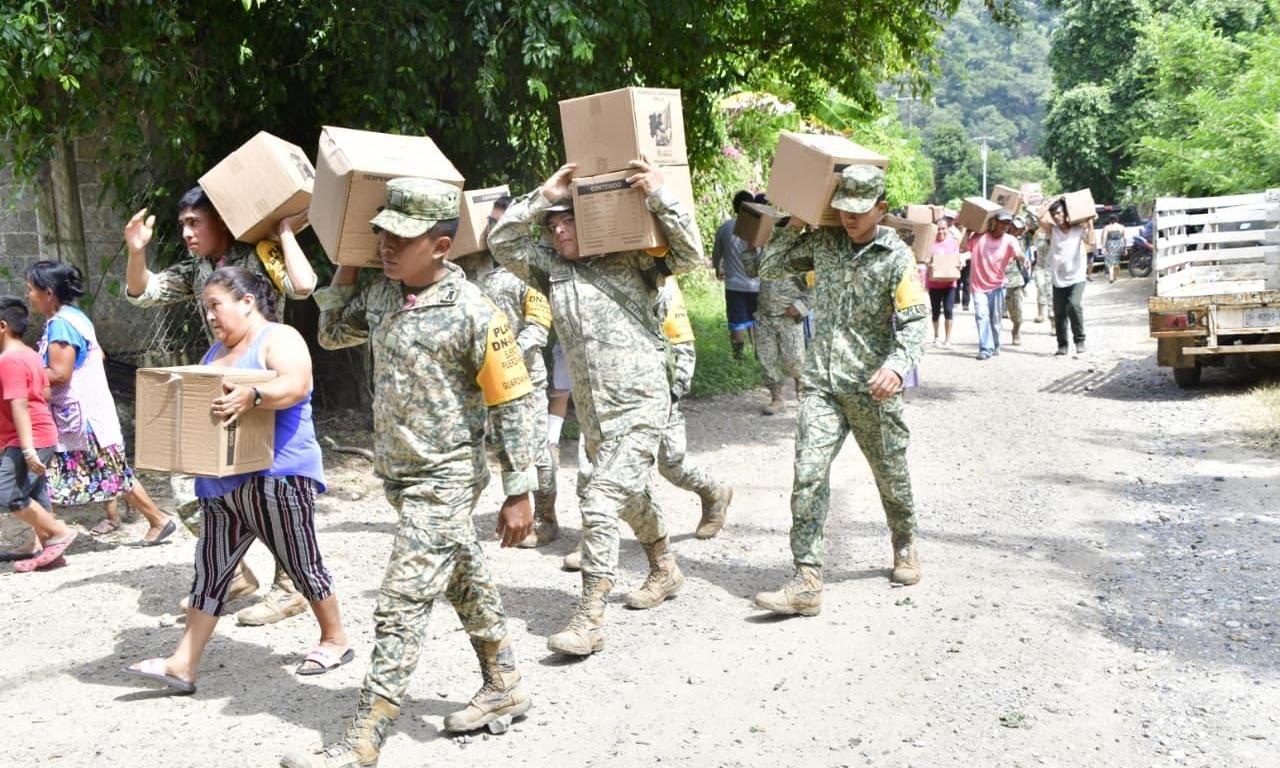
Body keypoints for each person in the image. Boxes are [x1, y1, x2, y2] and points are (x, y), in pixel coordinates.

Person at [283, 178, 537, 767]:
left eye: (401, 236)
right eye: (380, 233)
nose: (385, 245)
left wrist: (519, 489)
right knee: (464, 579)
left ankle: (364, 737)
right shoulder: (380, 296)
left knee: (402, 601)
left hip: (446, 478)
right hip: (401, 476)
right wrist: (347, 262)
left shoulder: (476, 311)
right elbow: (329, 331)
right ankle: (503, 684)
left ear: (442, 246)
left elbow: (513, 400)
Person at [489, 159, 703, 655]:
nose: (560, 229)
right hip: (595, 413)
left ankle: (589, 616)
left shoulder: (632, 259)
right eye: (553, 224)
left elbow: (690, 255)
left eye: (569, 220)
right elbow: (502, 243)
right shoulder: (552, 271)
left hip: (642, 402)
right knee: (628, 497)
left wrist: (657, 195)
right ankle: (664, 567)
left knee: (600, 496)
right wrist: (544, 195)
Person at [125, 267, 349, 695]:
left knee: (302, 564)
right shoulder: (215, 353)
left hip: (277, 476)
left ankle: (335, 638)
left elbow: (296, 385)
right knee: (210, 573)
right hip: (222, 486)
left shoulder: (279, 338)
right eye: (205, 308)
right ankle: (183, 663)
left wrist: (254, 396)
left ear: (247, 302)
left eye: (216, 305)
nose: (210, 315)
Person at [124, 185, 319, 625]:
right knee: (192, 487)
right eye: (183, 225)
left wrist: (286, 231)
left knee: (275, 489)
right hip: (225, 382)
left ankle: (291, 589)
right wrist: (137, 251)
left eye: (196, 223)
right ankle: (234, 577)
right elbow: (144, 293)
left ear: (223, 221)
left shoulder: (259, 253)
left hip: (270, 379)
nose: (188, 233)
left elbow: (303, 286)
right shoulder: (199, 270)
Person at [751, 165, 927, 617]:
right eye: (843, 209)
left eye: (860, 211)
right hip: (821, 385)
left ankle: (903, 541)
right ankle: (806, 578)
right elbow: (769, 266)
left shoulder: (895, 256)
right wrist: (794, 222)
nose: (849, 218)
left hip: (873, 388)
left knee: (891, 473)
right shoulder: (824, 243)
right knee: (807, 476)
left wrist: (896, 366)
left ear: (881, 209)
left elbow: (914, 320)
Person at [25, 262, 177, 545]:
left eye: (31, 289)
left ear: (47, 293)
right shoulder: (75, 318)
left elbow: (59, 373)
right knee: (91, 472)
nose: (28, 294)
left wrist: (22, 375)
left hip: (83, 420)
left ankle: (158, 519)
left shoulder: (61, 324)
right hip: (85, 415)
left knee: (111, 472)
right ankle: (40, 537)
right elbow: (100, 355)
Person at [454, 195, 559, 548]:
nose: (493, 228)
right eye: (491, 221)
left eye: (502, 222)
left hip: (522, 377)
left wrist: (508, 352)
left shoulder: (528, 270)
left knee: (535, 450)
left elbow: (539, 325)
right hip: (477, 380)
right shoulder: (471, 268)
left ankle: (546, 518)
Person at [0, 296, 77, 572]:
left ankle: (58, 532)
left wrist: (27, 448)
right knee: (36, 491)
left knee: (7, 494)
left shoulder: (9, 361)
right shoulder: (31, 355)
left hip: (26, 439)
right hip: (42, 432)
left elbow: (19, 404)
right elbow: (43, 394)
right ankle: (51, 550)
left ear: (2, 326)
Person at [750, 249, 812, 414]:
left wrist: (799, 307)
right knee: (767, 360)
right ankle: (776, 399)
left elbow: (816, 287)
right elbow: (750, 272)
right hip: (764, 317)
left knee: (794, 360)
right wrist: (750, 249)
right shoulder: (766, 253)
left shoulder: (801, 256)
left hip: (788, 318)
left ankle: (803, 390)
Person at [962, 211, 1026, 360]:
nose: (1005, 226)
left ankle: (995, 344)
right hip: (978, 287)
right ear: (994, 222)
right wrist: (967, 231)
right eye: (1002, 222)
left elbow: (1017, 252)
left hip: (997, 286)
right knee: (981, 315)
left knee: (995, 320)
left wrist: (1023, 259)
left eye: (1007, 223)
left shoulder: (1010, 240)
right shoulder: (979, 238)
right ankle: (985, 348)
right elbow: (964, 248)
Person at [1039, 199, 1094, 356]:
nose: (1056, 216)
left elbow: (1091, 242)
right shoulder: (1053, 231)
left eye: (1058, 213)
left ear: (1066, 213)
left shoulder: (1078, 229)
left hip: (1077, 276)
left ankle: (1080, 340)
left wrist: (1090, 224)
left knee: (1074, 305)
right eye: (1053, 214)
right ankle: (1062, 345)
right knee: (1060, 313)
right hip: (1058, 277)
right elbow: (1039, 218)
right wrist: (1049, 203)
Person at [712, 190, 761, 360]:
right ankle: (759, 355)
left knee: (737, 322)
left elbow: (716, 254)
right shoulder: (759, 227)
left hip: (734, 285)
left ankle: (738, 357)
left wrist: (718, 270)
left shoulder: (725, 228)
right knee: (757, 321)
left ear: (734, 207)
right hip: (758, 285)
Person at [925, 215, 961, 347]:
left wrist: (959, 264)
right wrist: (929, 264)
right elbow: (925, 260)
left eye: (943, 229)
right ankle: (936, 336)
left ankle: (948, 339)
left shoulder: (953, 243)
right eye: (938, 229)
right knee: (935, 311)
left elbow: (957, 259)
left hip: (950, 283)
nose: (941, 232)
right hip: (934, 283)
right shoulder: (929, 244)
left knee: (948, 310)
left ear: (948, 229)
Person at [1003, 216, 1029, 346]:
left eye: (1017, 228)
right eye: (1012, 226)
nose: (1014, 229)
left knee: (1017, 311)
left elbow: (1039, 224)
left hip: (1015, 279)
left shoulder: (1024, 239)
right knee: (993, 312)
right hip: (996, 279)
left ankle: (1016, 330)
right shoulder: (999, 236)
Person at [1031, 214, 1053, 324]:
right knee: (1040, 288)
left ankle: (1053, 321)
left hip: (1052, 267)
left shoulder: (1054, 231)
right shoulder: (1037, 232)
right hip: (1040, 266)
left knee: (1051, 292)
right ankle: (1040, 313)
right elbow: (1033, 246)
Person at [1101, 215, 1126, 283]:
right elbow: (1124, 238)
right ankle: (1115, 276)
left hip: (1110, 245)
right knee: (1117, 262)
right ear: (1117, 220)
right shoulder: (1121, 227)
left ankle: (1111, 277)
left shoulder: (1107, 227)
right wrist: (1125, 248)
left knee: (1110, 262)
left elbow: (1104, 237)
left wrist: (1103, 247)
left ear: (1109, 220)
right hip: (1119, 245)